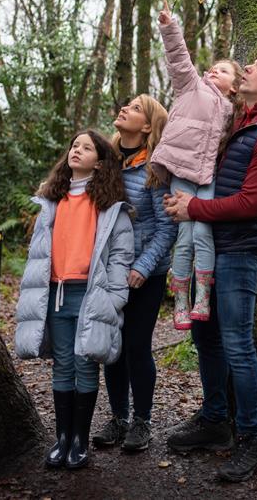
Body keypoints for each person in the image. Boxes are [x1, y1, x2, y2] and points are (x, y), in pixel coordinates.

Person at [163, 51, 257, 482]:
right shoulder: (239, 123)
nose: (247, 69)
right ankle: (215, 421)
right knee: (206, 337)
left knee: (238, 345)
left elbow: (251, 203)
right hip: (212, 248)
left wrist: (193, 208)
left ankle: (250, 441)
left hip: (242, 251)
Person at [14, 130, 133, 471]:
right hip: (54, 294)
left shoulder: (110, 206)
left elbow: (121, 257)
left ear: (100, 162)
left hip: (91, 294)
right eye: (74, 146)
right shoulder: (52, 200)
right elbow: (38, 254)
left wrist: (113, 297)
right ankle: (62, 439)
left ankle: (80, 440)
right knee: (63, 364)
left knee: (85, 364)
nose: (77, 151)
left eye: (86, 147)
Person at [150, 0, 244, 330]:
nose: (212, 71)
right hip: (181, 172)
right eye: (213, 67)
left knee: (204, 232)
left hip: (207, 177)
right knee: (185, 236)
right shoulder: (192, 87)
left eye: (222, 70)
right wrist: (169, 27)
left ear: (235, 86)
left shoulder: (233, 112)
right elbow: (179, 59)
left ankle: (202, 294)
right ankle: (180, 300)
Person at [90, 94, 176, 452]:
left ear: (147, 126)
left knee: (136, 346)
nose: (125, 109)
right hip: (107, 273)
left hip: (146, 274)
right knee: (112, 347)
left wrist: (142, 267)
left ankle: (142, 421)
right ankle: (118, 418)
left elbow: (166, 227)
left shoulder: (155, 169)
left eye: (136, 108)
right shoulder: (104, 164)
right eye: (126, 105)